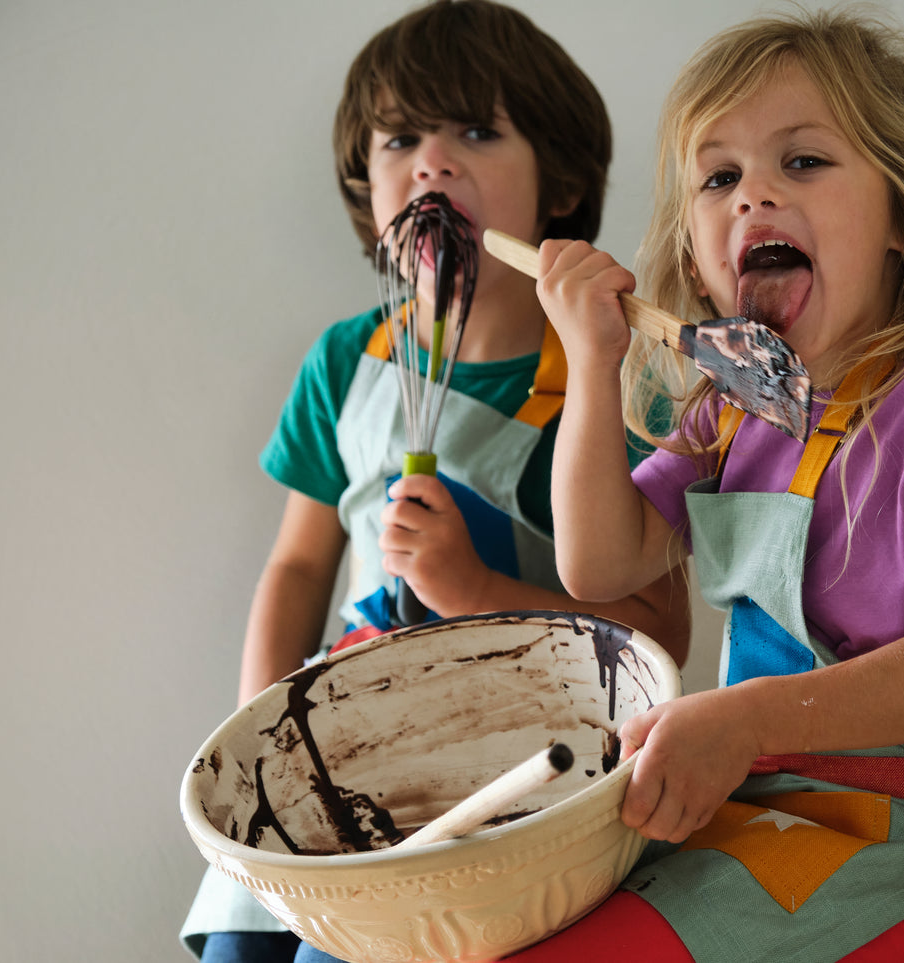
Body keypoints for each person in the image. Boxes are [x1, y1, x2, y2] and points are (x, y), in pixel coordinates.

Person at [518, 9, 904, 963]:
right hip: (751, 803)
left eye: (802, 162)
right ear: (695, 255)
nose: (753, 194)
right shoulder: (729, 410)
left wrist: (738, 718)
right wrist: (589, 360)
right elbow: (599, 562)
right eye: (719, 177)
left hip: (897, 841)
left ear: (901, 213)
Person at [180, 3, 690, 961]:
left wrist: (474, 593)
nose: (431, 162)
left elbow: (659, 636)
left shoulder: (601, 382)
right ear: (361, 183)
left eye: (476, 132)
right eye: (401, 138)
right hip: (339, 739)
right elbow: (296, 569)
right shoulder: (345, 360)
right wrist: (264, 759)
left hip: (510, 774)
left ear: (562, 186)